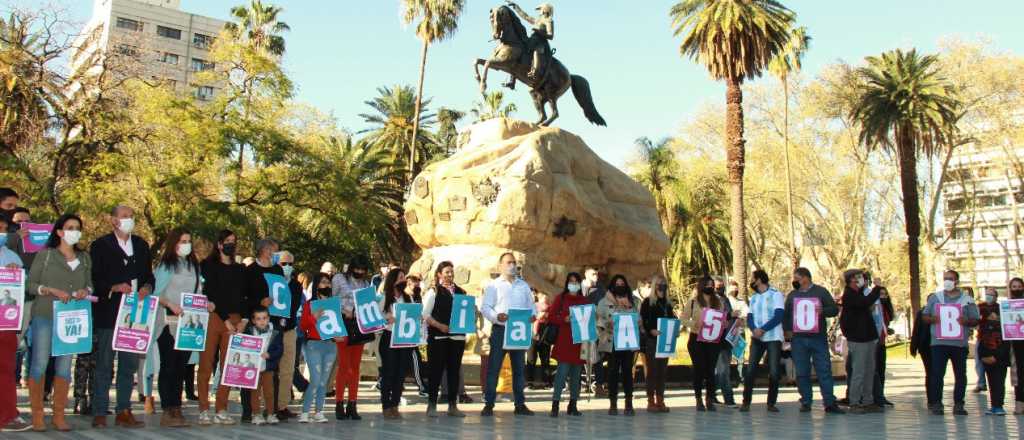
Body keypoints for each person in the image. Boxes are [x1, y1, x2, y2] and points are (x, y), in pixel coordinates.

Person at [24, 214, 91, 431]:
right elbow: (30, 284)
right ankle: (37, 415)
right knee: (40, 363)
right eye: (70, 227)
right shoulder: (45, 255)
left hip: (72, 318)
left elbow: (91, 285)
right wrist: (50, 290)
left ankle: (59, 415)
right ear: (59, 232)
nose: (74, 231)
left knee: (64, 366)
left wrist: (85, 291)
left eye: (77, 228)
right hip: (45, 314)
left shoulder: (85, 257)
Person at [89, 205, 153, 429]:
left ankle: (124, 410)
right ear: (113, 220)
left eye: (131, 216)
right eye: (124, 216)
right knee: (105, 364)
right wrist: (113, 287)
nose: (129, 220)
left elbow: (149, 275)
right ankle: (99, 410)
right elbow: (94, 278)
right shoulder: (100, 245)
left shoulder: (142, 245)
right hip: (109, 312)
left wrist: (146, 287)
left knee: (129, 365)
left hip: (135, 313)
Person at [153, 228, 211, 427]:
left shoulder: (194, 266)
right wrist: (170, 304)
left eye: (188, 240)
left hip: (189, 324)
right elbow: (156, 293)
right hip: (167, 323)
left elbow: (199, 292)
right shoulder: (166, 265)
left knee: (181, 367)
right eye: (182, 241)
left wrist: (206, 303)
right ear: (173, 243)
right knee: (168, 366)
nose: (186, 244)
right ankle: (167, 409)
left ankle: (177, 408)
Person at [197, 229, 245, 425]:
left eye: (233, 241)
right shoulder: (207, 265)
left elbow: (244, 296)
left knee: (229, 366)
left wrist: (243, 320)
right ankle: (203, 409)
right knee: (206, 364)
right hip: (213, 317)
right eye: (227, 241)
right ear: (219, 244)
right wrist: (225, 319)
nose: (230, 244)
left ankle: (221, 408)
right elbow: (211, 293)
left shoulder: (240, 269)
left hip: (235, 320)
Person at [480, 252, 537, 416]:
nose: (512, 266)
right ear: (501, 265)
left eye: (514, 263)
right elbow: (485, 307)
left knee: (519, 369)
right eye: (508, 263)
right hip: (501, 330)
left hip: (518, 331)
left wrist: (533, 315)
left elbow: (531, 305)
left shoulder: (523, 285)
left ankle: (520, 404)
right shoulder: (494, 285)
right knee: (494, 368)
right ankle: (489, 404)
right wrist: (496, 317)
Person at [783, 267, 845, 414]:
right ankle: (806, 401)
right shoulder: (792, 295)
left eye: (797, 278)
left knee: (824, 370)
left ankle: (829, 403)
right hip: (798, 339)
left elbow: (834, 310)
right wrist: (787, 334)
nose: (795, 281)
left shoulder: (821, 292)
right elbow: (786, 315)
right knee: (802, 372)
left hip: (818, 338)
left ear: (806, 278)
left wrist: (822, 310)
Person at [921, 270, 980, 416]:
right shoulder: (936, 298)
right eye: (945, 278)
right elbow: (924, 316)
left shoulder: (967, 300)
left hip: (959, 344)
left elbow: (976, 319)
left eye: (950, 279)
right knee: (937, 374)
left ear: (957, 281)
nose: (947, 281)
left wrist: (966, 321)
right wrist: (932, 319)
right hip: (938, 343)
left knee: (960, 375)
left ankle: (959, 404)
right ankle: (936, 403)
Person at [240, 238, 284, 422]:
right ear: (263, 250)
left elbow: (283, 294)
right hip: (254, 324)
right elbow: (244, 297)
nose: (275, 254)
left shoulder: (278, 269)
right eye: (273, 251)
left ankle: (271, 410)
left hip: (273, 324)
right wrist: (259, 303)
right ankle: (250, 411)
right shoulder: (251, 271)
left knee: (271, 371)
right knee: (250, 369)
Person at [423, 261, 469, 418]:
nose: (450, 274)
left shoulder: (462, 292)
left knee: (454, 371)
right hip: (438, 337)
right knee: (435, 371)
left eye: (451, 271)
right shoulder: (434, 291)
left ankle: (452, 405)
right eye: (447, 272)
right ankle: (432, 405)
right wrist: (439, 325)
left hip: (457, 337)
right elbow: (425, 314)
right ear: (439, 274)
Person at [331, 255, 372, 420]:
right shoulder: (339, 279)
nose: (360, 272)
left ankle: (352, 403)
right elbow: (331, 299)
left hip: (359, 325)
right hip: (343, 323)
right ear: (351, 267)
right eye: (357, 268)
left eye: (363, 269)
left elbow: (368, 304)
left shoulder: (366, 284)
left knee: (355, 367)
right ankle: (339, 402)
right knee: (343, 366)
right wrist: (343, 310)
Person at [0, 214, 29, 433]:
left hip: (5, 323)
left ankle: (9, 413)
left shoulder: (12, 257)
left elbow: (22, 290)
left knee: (6, 369)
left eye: (3, 229)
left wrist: (16, 274)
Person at [838, 269, 881, 414]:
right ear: (852, 280)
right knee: (859, 371)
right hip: (858, 339)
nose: (863, 280)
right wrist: (877, 288)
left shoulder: (858, 293)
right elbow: (865, 302)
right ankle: (854, 401)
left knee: (869, 370)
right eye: (859, 278)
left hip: (869, 337)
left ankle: (868, 400)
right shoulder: (849, 295)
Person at [741, 269, 784, 413]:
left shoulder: (775, 294)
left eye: (753, 278)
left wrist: (763, 329)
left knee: (773, 371)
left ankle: (771, 403)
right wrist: (754, 330)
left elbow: (778, 316)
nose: (751, 281)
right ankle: (746, 401)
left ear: (759, 279)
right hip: (757, 338)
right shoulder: (753, 298)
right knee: (751, 369)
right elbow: (750, 316)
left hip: (772, 337)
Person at [682, 276, 726, 412]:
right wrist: (694, 324)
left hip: (713, 340)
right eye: (707, 284)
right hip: (697, 340)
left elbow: (722, 317)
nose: (710, 287)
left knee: (710, 370)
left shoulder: (718, 301)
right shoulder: (693, 301)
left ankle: (710, 399)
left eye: (711, 284)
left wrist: (723, 323)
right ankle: (698, 399)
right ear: (701, 286)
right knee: (699, 369)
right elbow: (683, 319)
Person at [546, 272, 588, 417]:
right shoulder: (561, 298)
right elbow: (551, 317)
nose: (573, 284)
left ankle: (573, 405)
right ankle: (555, 404)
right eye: (571, 281)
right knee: (562, 374)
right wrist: (563, 319)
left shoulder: (584, 300)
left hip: (579, 342)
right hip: (564, 341)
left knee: (576, 375)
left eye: (576, 282)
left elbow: (589, 319)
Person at [597, 274, 639, 416]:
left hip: (628, 343)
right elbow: (597, 319)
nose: (620, 286)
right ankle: (613, 403)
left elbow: (639, 320)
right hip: (612, 342)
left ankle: (629, 403)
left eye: (622, 283)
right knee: (613, 372)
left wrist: (630, 309)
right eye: (617, 283)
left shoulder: (634, 301)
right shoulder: (604, 302)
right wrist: (607, 324)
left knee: (628, 372)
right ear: (612, 286)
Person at [297, 273, 336, 423]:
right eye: (323, 282)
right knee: (315, 379)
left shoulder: (333, 304)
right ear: (317, 285)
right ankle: (305, 412)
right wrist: (314, 317)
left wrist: (340, 336)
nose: (326, 285)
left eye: (328, 282)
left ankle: (319, 411)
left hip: (331, 345)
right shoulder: (309, 304)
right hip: (313, 344)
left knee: (323, 381)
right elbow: (303, 326)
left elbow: (337, 325)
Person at [378, 269, 416, 419]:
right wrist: (387, 319)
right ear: (393, 281)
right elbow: (376, 320)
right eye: (400, 278)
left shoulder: (408, 298)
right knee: (389, 372)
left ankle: (395, 404)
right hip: (389, 337)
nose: (403, 281)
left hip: (404, 340)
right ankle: (386, 405)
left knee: (400, 374)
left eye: (403, 278)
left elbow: (413, 315)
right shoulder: (384, 298)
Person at [272, 251, 303, 421]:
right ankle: (269, 405)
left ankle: (282, 405)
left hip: (289, 330)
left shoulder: (296, 285)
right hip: (271, 329)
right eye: (284, 264)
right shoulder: (270, 281)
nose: (288, 267)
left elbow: (293, 306)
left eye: (290, 263)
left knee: (287, 369)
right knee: (269, 370)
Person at [242, 307, 283, 425]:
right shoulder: (249, 331)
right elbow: (244, 348)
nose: (262, 321)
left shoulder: (275, 331)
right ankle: (256, 414)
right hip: (253, 368)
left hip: (268, 367)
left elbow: (280, 349)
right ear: (253, 321)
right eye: (258, 319)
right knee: (254, 392)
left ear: (268, 318)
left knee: (269, 391)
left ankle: (271, 413)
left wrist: (270, 355)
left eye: (264, 318)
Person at [640, 276, 674, 413]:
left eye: (664, 284)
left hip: (665, 340)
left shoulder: (667, 303)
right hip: (652, 341)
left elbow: (671, 319)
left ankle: (660, 399)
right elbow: (644, 320)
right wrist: (650, 330)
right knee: (652, 371)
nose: (662, 286)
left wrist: (675, 330)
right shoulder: (648, 302)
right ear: (655, 286)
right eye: (660, 284)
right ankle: (650, 400)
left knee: (662, 371)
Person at [977, 286, 1009, 415]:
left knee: (999, 379)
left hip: (1000, 349)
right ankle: (994, 405)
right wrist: (983, 355)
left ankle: (999, 405)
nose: (989, 296)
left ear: (996, 297)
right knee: (990, 379)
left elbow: (1006, 339)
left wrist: (998, 355)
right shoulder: (980, 309)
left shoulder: (1002, 309)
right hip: (985, 348)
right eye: (987, 294)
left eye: (991, 294)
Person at [714, 279, 747, 407]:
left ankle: (711, 395)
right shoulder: (713, 300)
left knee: (722, 370)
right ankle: (728, 398)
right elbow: (713, 316)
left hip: (728, 338)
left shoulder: (725, 299)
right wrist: (729, 315)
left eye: (722, 286)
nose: (720, 289)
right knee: (723, 371)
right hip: (718, 338)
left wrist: (736, 319)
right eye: (717, 287)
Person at [506, 2, 554, 81]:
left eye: (541, 9)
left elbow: (550, 35)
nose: (540, 11)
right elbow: (526, 16)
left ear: (545, 10)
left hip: (541, 42)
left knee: (536, 52)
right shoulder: (538, 20)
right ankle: (512, 79)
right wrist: (516, 7)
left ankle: (534, 72)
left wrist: (538, 31)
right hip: (532, 40)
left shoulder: (549, 20)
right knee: (519, 50)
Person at [910, 292, 934, 410]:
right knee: (930, 372)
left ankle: (935, 397)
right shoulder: (922, 313)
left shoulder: (940, 313)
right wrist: (913, 347)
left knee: (936, 373)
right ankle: (931, 399)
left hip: (938, 346)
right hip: (925, 346)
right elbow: (916, 331)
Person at [527, 288, 552, 389]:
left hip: (545, 333)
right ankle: (529, 381)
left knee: (545, 359)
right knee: (531, 358)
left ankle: (546, 381)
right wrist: (537, 317)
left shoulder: (550, 307)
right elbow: (528, 319)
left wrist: (547, 316)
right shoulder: (532, 306)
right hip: (533, 333)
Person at [1008, 278, 1024, 414]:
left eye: (1019, 286)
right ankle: (1019, 403)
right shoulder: (1007, 305)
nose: (1017, 288)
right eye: (1014, 286)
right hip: (1015, 345)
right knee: (1018, 375)